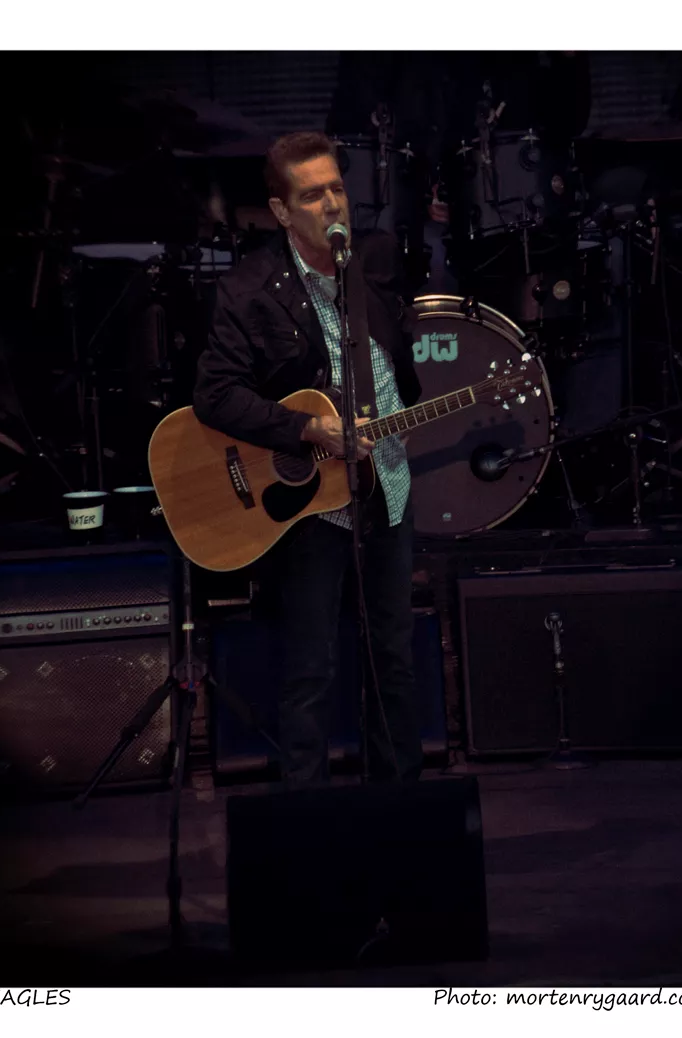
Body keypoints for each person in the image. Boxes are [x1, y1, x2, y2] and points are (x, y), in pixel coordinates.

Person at [193, 131, 423, 789]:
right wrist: (306, 428)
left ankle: (403, 809)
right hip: (309, 504)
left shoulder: (376, 261)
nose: (332, 205)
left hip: (387, 484)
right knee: (310, 669)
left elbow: (396, 359)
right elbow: (215, 394)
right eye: (313, 195)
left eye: (337, 189)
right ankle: (306, 820)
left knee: (393, 659)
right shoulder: (249, 287)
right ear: (282, 211)